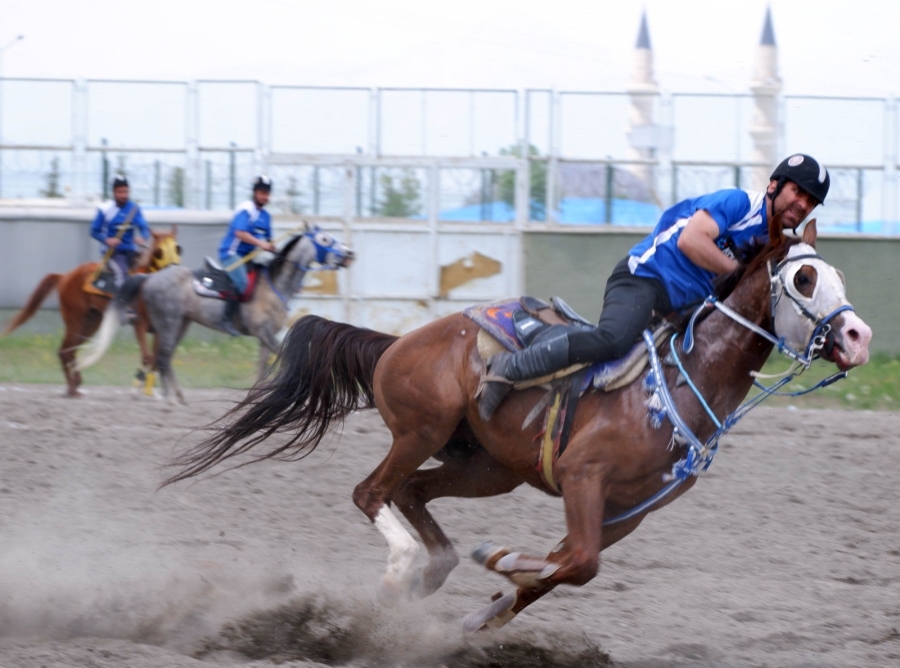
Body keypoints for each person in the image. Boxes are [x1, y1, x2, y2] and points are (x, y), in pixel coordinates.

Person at [478, 153, 831, 420]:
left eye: (811, 202)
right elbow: (691, 242)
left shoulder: (770, 239)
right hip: (643, 281)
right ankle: (509, 368)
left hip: (685, 307)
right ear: (774, 185)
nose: (802, 205)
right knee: (613, 339)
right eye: (798, 192)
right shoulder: (738, 204)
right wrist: (738, 270)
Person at [218, 175, 277, 335]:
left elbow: (270, 241)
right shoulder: (246, 209)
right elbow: (240, 233)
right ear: (255, 193)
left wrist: (274, 249)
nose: (265, 196)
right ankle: (226, 321)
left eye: (267, 193)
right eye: (262, 193)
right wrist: (261, 244)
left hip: (249, 258)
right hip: (231, 254)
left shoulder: (266, 216)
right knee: (242, 283)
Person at [90, 174, 150, 292]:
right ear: (113, 192)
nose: (124, 195)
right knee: (122, 274)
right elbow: (93, 231)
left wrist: (143, 237)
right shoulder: (104, 209)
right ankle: (121, 306)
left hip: (130, 251)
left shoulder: (134, 208)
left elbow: (144, 227)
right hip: (112, 252)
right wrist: (108, 240)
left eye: (126, 192)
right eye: (120, 192)